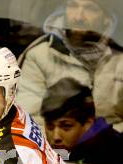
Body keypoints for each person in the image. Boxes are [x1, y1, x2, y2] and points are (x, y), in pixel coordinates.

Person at [16, 0, 123, 132]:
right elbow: (29, 117)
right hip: (55, 146)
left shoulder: (119, 60)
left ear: (106, 18)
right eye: (73, 6)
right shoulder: (39, 56)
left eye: (90, 9)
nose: (78, 17)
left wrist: (107, 141)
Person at [41, 77, 123, 164]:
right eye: (50, 126)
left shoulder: (111, 156)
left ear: (88, 123)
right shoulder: (64, 152)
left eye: (66, 126)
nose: (56, 137)